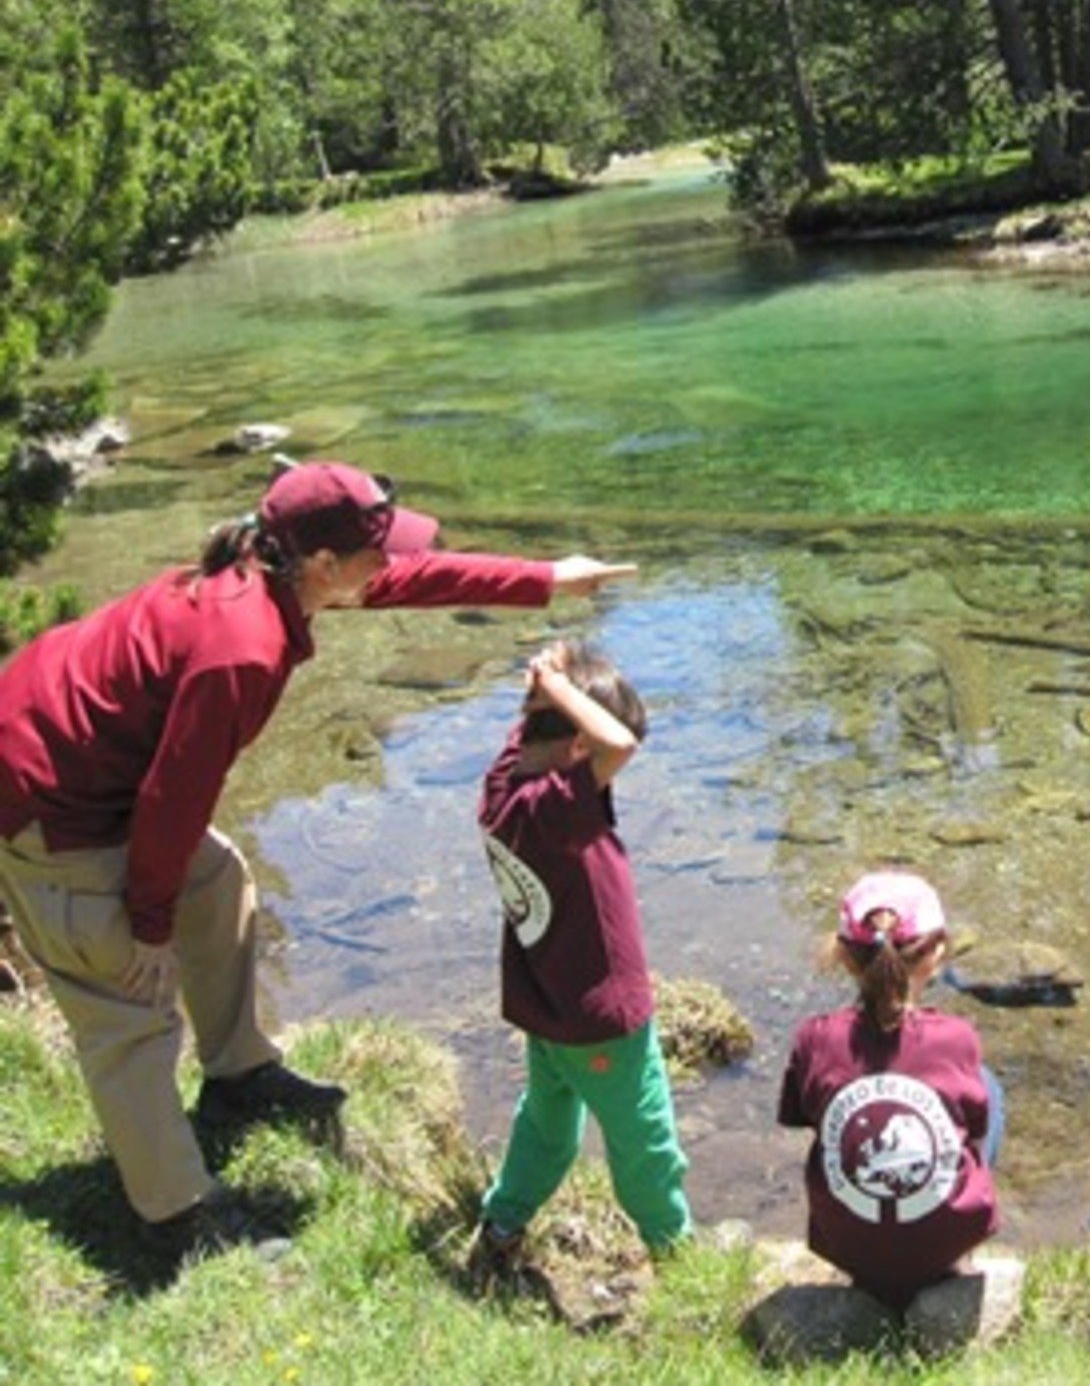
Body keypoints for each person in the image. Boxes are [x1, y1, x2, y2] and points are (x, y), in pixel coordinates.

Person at [0, 460, 634, 1257]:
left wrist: (545, 578)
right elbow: (172, 798)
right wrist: (148, 925)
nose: (389, 563)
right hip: (49, 805)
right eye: (375, 550)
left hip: (83, 762)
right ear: (324, 565)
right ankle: (177, 1218)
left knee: (220, 879)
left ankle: (237, 1076)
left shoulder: (270, 566)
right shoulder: (242, 649)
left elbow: (406, 579)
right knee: (128, 1002)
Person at [467, 640, 692, 1277]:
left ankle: (504, 1219)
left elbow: (567, 740)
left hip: (549, 1012)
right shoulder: (554, 810)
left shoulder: (505, 791)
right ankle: (675, 1252)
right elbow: (620, 744)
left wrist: (544, 687)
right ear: (578, 753)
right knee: (644, 1143)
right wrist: (562, 692)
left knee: (545, 1126)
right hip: (605, 1023)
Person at [777, 871, 999, 1310]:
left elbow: (800, 1116)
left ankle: (873, 1244)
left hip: (844, 1243)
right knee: (986, 1085)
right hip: (946, 1242)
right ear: (935, 955)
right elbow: (977, 1125)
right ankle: (949, 1240)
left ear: (843, 955)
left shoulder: (814, 1038)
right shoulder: (957, 1037)